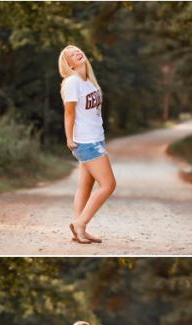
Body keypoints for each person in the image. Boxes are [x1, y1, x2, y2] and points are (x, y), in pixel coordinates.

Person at [58, 45, 117, 245]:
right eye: (71, 54)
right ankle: (81, 224)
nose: (77, 53)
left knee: (85, 186)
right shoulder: (73, 82)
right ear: (69, 64)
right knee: (108, 185)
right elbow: (69, 112)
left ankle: (78, 229)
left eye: (77, 50)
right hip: (86, 141)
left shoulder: (89, 82)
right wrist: (69, 138)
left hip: (96, 138)